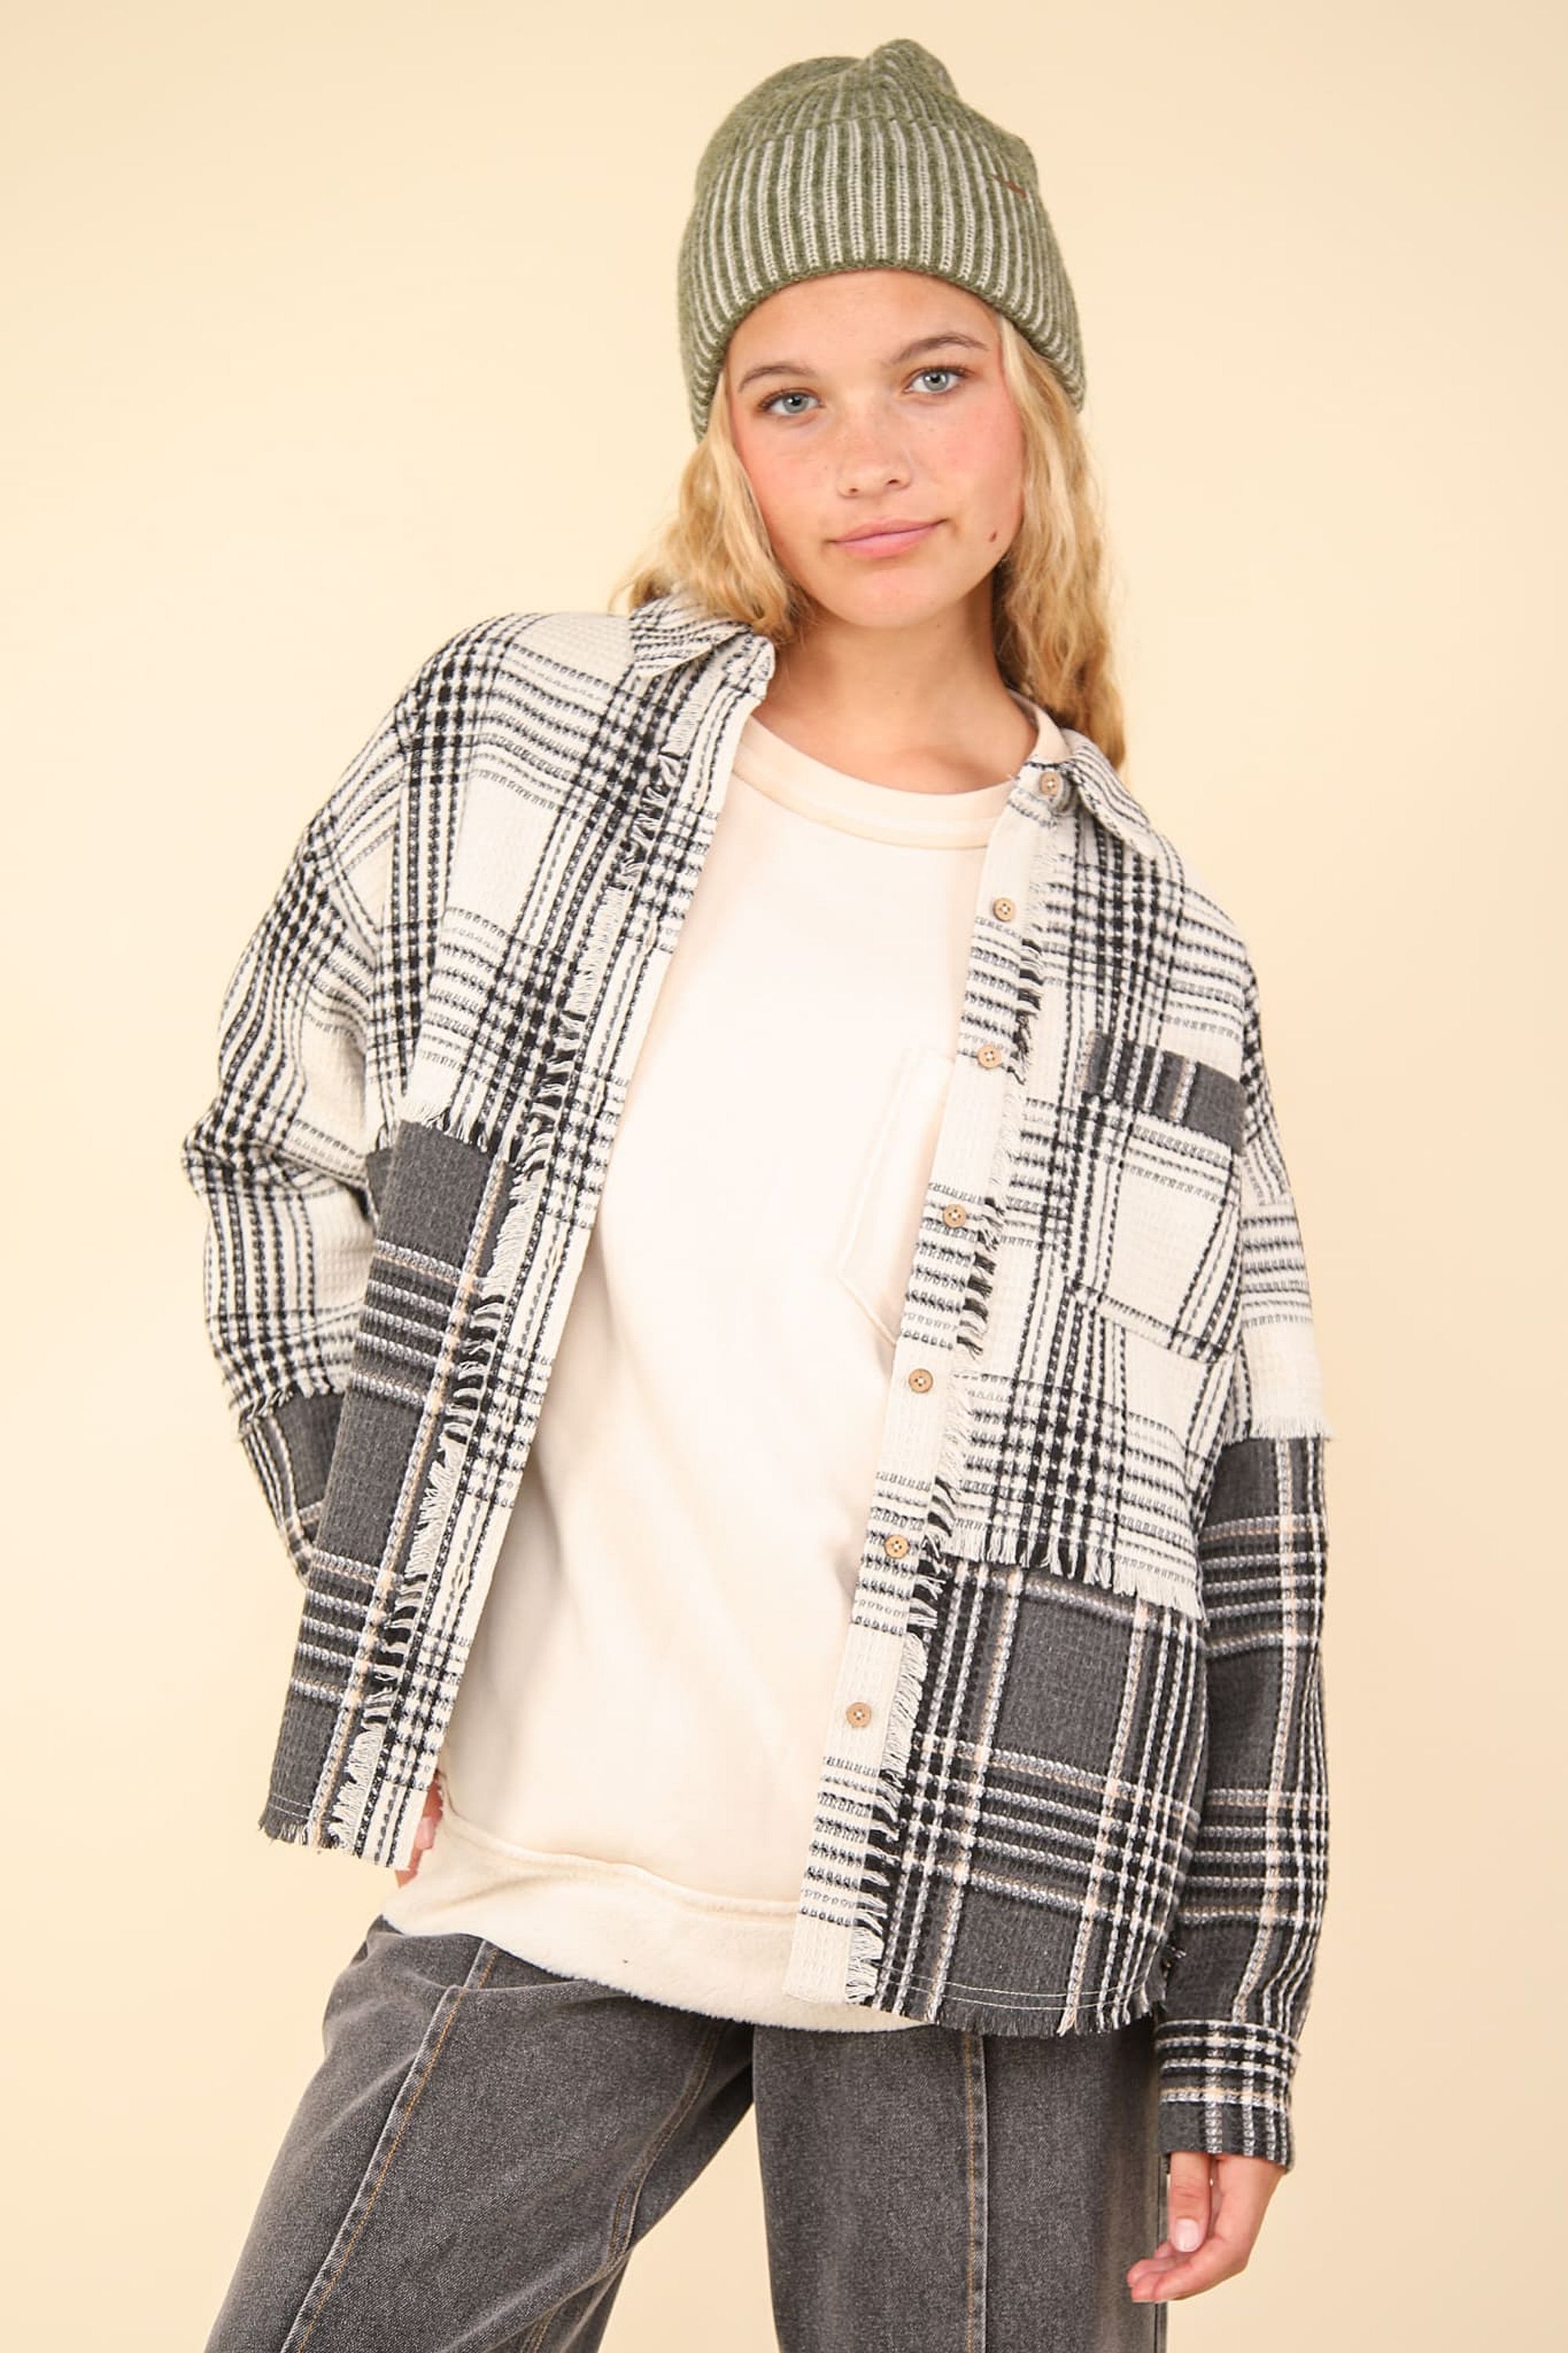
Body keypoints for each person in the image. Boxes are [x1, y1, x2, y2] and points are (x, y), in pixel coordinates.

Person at [180, 38, 1333, 2352]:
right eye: (789, 396)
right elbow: (267, 1151)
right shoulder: (511, 743)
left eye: (935, 373)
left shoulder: (1161, 939)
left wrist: (1239, 2016)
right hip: (549, 1854)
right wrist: (386, 1581)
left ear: (1038, 406)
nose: (870, 456)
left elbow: (1251, 1505)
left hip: (998, 1884)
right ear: (721, 438)